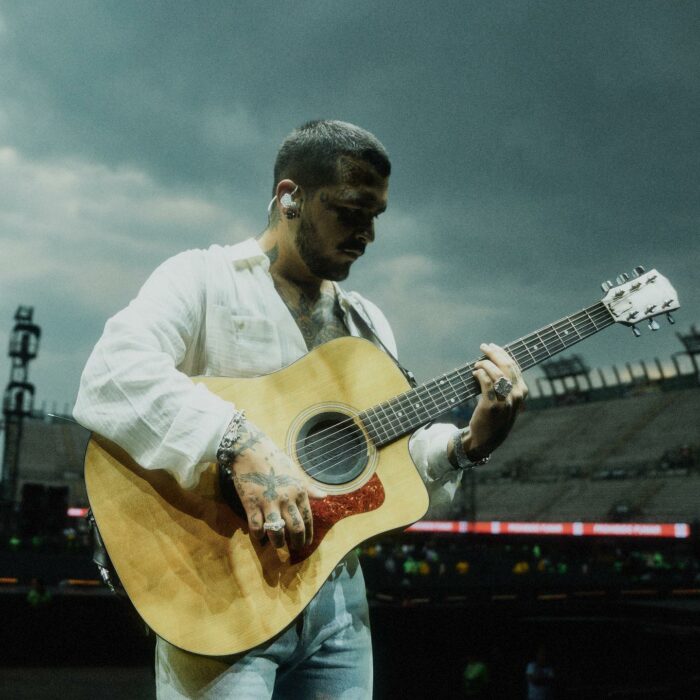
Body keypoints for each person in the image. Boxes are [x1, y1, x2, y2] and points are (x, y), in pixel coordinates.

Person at [74, 120, 527, 699]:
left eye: (376, 217)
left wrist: (468, 446)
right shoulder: (203, 279)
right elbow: (113, 371)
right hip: (223, 598)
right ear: (290, 197)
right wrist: (237, 440)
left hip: (339, 602)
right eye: (350, 210)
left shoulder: (367, 324)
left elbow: (385, 460)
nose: (367, 233)